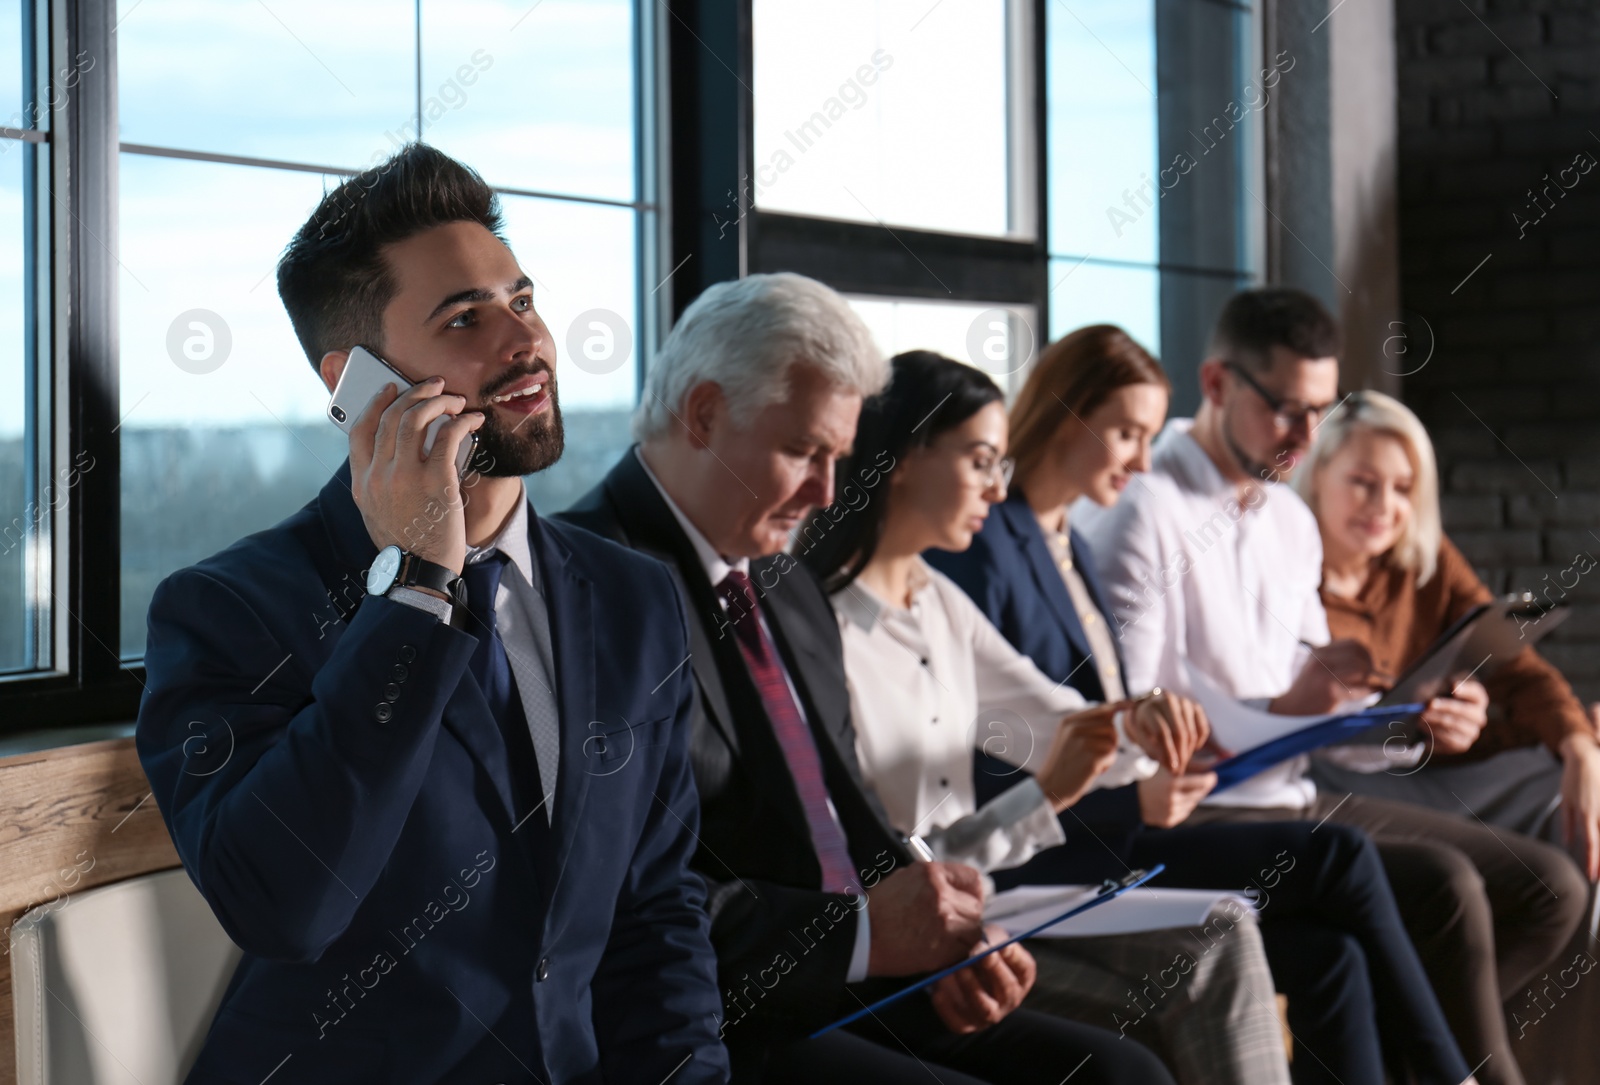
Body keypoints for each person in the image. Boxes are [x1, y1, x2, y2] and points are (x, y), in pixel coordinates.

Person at [136, 145, 728, 1084]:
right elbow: (287, 906)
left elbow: (657, 911)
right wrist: (416, 584)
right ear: (357, 384)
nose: (524, 341)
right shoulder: (227, 610)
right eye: (465, 319)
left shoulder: (632, 596)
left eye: (522, 300)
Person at [558, 273, 1177, 1085]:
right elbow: (624, 901)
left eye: (838, 458)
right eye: (802, 451)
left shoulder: (789, 587)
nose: (824, 491)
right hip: (718, 1009)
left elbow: (847, 816)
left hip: (851, 974)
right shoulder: (587, 586)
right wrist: (863, 935)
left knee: (1124, 1074)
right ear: (703, 413)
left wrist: (942, 929)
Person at [823, 349, 1474, 1085]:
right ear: (904, 459)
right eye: (979, 461)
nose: (995, 487)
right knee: (1262, 919)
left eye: (999, 463)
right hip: (929, 922)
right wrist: (1062, 785)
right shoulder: (826, 630)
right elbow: (897, 860)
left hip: (990, 891)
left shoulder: (937, 597)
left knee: (1256, 926)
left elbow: (1063, 719)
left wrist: (1139, 722)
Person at [1073, 289, 1585, 1085]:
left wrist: (1415, 721)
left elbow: (1327, 704)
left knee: (1547, 887)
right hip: (1197, 810)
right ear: (1215, 383)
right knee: (1439, 891)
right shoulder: (1143, 511)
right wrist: (1288, 708)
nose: (1307, 437)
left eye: (1320, 410)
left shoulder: (1288, 519)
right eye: (1286, 410)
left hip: (1293, 796)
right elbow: (1130, 729)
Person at [1292, 388, 1600, 879]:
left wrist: (1580, 748)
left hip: (1442, 782)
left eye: (1402, 487)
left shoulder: (1426, 561)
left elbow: (1521, 673)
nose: (1383, 506)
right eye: (1362, 482)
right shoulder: (1282, 568)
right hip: (1340, 786)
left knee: (1570, 779)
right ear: (1317, 475)